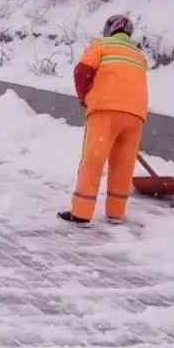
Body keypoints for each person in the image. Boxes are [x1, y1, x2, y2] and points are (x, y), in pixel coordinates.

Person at [59, 14, 148, 224]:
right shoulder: (139, 54)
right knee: (123, 164)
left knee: (93, 161)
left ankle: (81, 212)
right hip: (135, 116)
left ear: (109, 30)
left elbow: (82, 72)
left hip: (105, 111)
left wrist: (84, 97)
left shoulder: (100, 46)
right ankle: (116, 212)